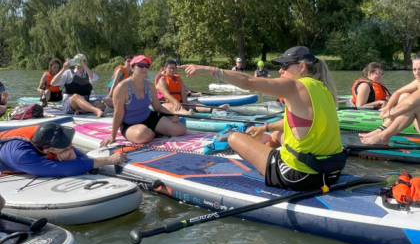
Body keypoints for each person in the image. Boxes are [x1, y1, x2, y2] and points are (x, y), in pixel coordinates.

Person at [179, 46, 347, 191]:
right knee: (275, 136)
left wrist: (210, 70)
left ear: (301, 66)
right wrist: (265, 127)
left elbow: (250, 82)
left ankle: (266, 157)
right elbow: (299, 123)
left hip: (299, 177)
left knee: (234, 138)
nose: (280, 70)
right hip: (332, 172)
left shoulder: (296, 86)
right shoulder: (325, 88)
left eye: (285, 66)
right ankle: (267, 147)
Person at [100, 55, 186, 147]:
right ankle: (155, 132)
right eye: (140, 65)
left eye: (146, 66)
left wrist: (171, 115)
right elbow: (118, 113)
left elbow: (157, 107)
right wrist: (112, 136)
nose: (144, 68)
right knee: (144, 135)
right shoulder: (122, 88)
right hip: (129, 124)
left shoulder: (150, 86)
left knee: (181, 130)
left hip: (149, 118)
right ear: (132, 68)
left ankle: (156, 131)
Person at [0, 122, 127, 177]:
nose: (69, 146)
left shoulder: (46, 132)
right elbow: (68, 169)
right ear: (47, 150)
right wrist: (106, 160)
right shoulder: (22, 155)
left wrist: (71, 154)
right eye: (64, 146)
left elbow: (83, 160)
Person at [360, 54, 420, 145]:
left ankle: (383, 136)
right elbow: (398, 92)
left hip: (412, 108)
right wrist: (387, 107)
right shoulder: (417, 82)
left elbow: (411, 102)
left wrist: (391, 113)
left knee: (414, 106)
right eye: (414, 69)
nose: (417, 73)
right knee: (405, 95)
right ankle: (380, 131)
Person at [156, 60, 228, 115]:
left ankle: (213, 109)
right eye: (170, 68)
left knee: (195, 104)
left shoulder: (178, 79)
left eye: (174, 68)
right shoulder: (162, 80)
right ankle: (188, 114)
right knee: (176, 107)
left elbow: (183, 94)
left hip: (178, 102)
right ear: (165, 68)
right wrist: (176, 102)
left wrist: (185, 104)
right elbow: (166, 95)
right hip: (165, 104)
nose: (172, 70)